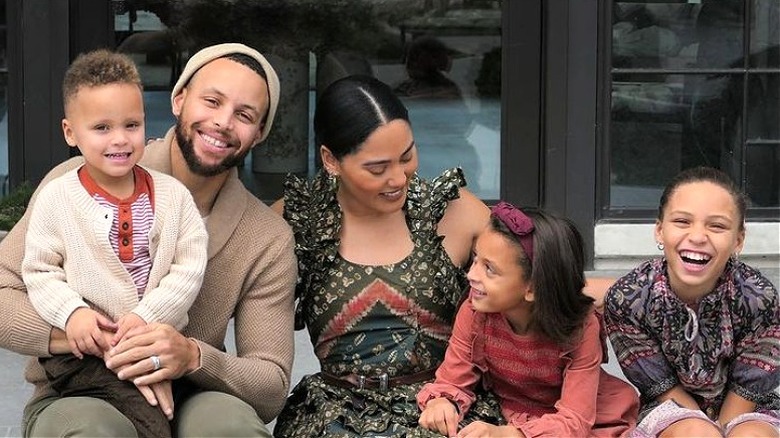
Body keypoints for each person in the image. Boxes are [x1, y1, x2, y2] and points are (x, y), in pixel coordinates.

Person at [0, 42, 297, 437]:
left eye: (244, 115)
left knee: (229, 428)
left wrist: (192, 357)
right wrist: (92, 337)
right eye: (211, 100)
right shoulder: (72, 185)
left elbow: (271, 384)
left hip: (192, 395)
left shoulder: (266, 238)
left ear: (259, 133)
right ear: (178, 99)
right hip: (81, 389)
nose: (223, 122)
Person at [271, 74, 505, 437]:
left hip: (441, 407)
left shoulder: (450, 210)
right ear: (331, 160)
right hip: (335, 416)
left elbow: (532, 279)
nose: (398, 178)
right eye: (377, 168)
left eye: (407, 156)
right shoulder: (297, 218)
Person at [22, 49, 207, 438]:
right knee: (155, 418)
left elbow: (188, 270)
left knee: (162, 403)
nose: (120, 139)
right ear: (71, 133)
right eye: (102, 128)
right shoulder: (57, 198)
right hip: (81, 356)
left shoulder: (172, 198)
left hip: (150, 342)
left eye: (131, 124)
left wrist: (146, 317)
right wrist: (72, 313)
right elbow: (39, 270)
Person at [417, 202, 639, 437]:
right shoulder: (475, 311)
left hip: (580, 419)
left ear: (533, 287)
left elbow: (575, 420)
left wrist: (509, 435)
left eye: (489, 269)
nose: (471, 275)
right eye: (475, 260)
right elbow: (453, 379)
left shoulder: (580, 328)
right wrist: (441, 402)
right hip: (509, 409)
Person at [604, 166, 780, 437]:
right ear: (660, 230)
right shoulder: (629, 299)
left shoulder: (759, 298)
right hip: (668, 409)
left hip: (751, 409)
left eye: (717, 226)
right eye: (682, 222)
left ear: (738, 240)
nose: (697, 237)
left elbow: (749, 389)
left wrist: (721, 429)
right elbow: (663, 389)